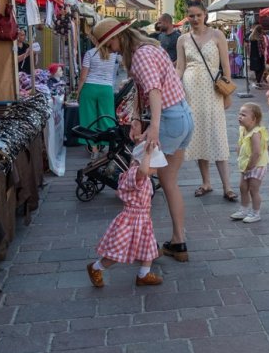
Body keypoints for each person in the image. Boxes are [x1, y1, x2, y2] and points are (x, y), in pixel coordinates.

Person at [93, 17, 194, 262]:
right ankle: (178, 242)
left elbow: (154, 90)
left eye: (109, 45)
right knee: (169, 183)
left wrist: (154, 128)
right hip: (182, 116)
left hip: (169, 118)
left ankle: (136, 246)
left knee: (138, 181)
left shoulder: (141, 55)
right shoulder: (148, 49)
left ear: (119, 37)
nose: (110, 51)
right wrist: (138, 118)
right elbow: (144, 89)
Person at [177, 0, 235, 201]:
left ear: (205, 14)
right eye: (191, 15)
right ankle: (206, 182)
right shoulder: (183, 39)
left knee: (218, 136)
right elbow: (180, 68)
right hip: (191, 92)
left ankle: (227, 186)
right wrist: (172, 87)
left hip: (213, 91)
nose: (195, 19)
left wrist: (227, 93)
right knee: (199, 136)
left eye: (198, 15)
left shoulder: (218, 35)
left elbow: (226, 67)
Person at [87, 145, 166, 287]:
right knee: (117, 253)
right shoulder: (136, 174)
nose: (156, 170)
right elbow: (142, 169)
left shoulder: (141, 175)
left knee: (148, 249)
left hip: (143, 221)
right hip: (130, 222)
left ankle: (144, 274)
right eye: (154, 166)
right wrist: (148, 154)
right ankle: (96, 267)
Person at [78, 37, 120, 158]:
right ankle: (109, 147)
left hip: (89, 87)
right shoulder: (113, 55)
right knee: (107, 117)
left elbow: (83, 77)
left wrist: (78, 93)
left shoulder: (90, 53)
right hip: (106, 89)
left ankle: (94, 150)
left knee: (89, 118)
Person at [229, 104, 269, 224]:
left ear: (254, 119)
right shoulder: (243, 129)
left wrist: (250, 166)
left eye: (243, 115)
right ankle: (244, 209)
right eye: (239, 114)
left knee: (253, 189)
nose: (239, 116)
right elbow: (241, 143)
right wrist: (239, 153)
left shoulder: (255, 133)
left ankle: (256, 213)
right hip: (246, 164)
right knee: (243, 188)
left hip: (257, 165)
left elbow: (256, 152)